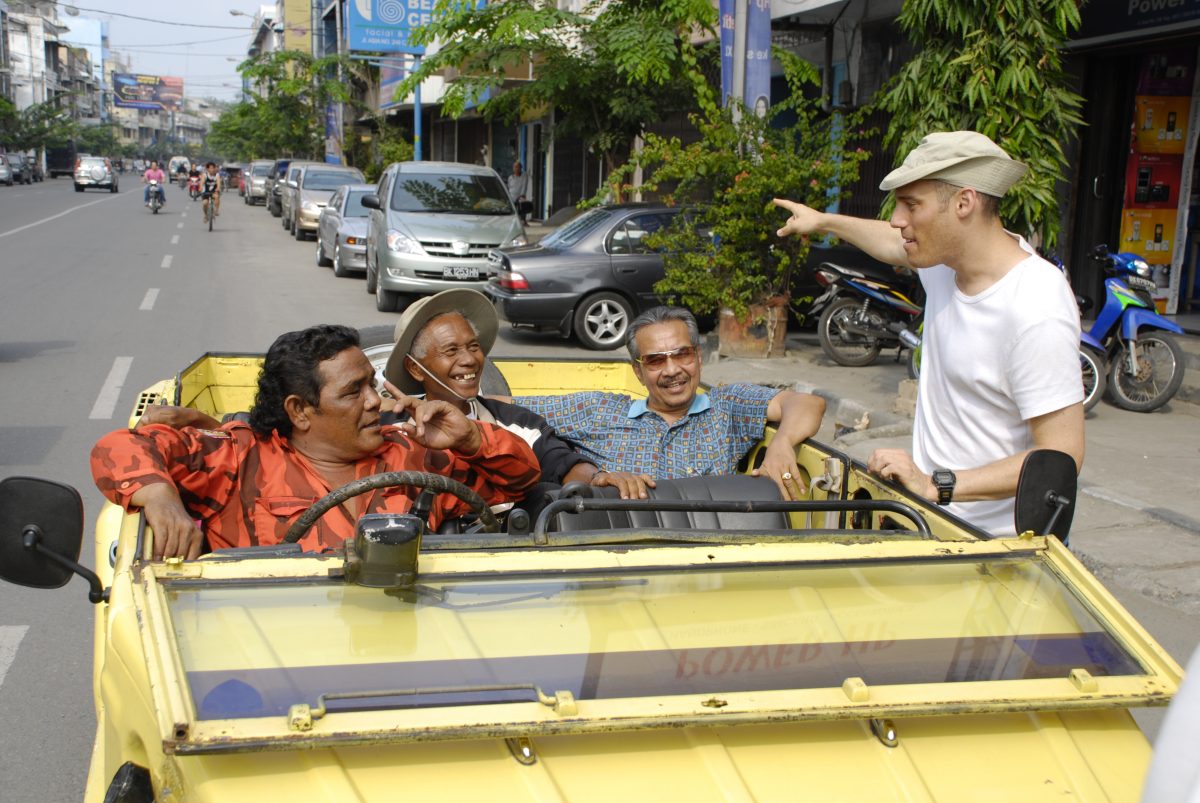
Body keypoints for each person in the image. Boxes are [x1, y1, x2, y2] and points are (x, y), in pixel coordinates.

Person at [773, 130, 1084, 535]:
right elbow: (889, 241)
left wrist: (938, 484)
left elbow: (1061, 455)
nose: (897, 219)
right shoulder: (943, 262)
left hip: (991, 546)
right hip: (928, 520)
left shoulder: (1034, 306)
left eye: (911, 205)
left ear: (963, 203)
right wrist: (823, 221)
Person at [91, 324, 540, 559]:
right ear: (299, 411)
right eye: (353, 392)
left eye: (372, 384)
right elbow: (118, 447)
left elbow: (520, 482)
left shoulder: (411, 453)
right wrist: (160, 498)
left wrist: (471, 438)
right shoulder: (240, 455)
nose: (375, 401)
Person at [505, 306, 827, 501]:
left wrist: (782, 443)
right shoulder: (600, 410)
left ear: (698, 359)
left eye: (682, 355)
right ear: (638, 371)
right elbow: (505, 409)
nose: (673, 370)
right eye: (657, 360)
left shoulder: (726, 407)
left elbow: (807, 404)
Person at [381, 289, 654, 500]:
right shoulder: (390, 427)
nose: (469, 360)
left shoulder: (516, 421)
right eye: (451, 351)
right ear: (415, 369)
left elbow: (562, 463)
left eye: (474, 346)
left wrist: (598, 478)